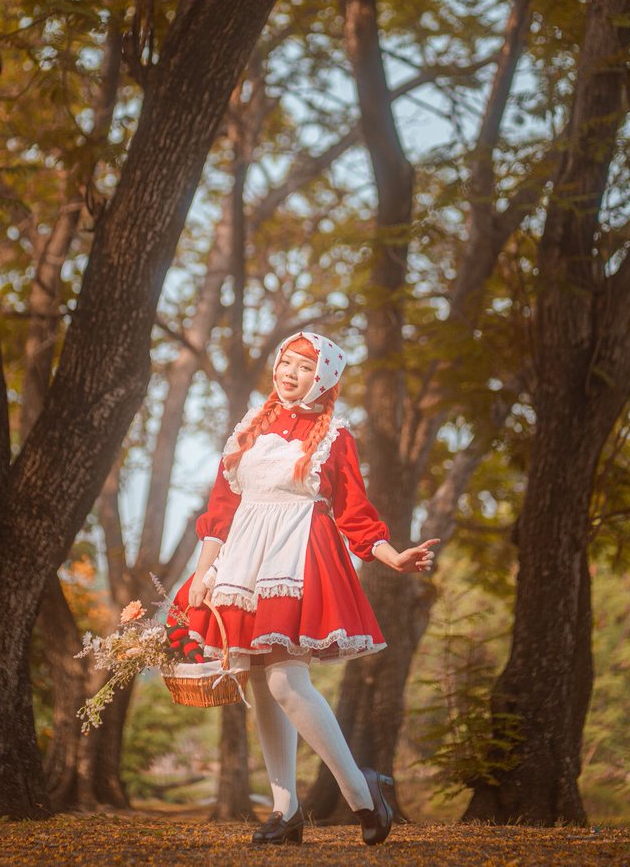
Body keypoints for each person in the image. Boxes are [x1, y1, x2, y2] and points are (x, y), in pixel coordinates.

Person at [172, 331, 438, 846]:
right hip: (243, 560)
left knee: (284, 682)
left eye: (304, 367)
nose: (290, 373)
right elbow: (221, 509)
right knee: (260, 680)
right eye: (286, 362)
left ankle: (361, 792)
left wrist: (393, 557)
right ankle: (286, 811)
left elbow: (355, 513)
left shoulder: (335, 436)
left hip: (297, 556)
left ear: (323, 378)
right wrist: (203, 573)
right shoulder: (249, 426)